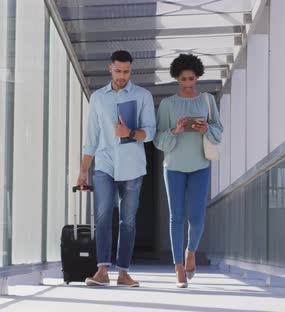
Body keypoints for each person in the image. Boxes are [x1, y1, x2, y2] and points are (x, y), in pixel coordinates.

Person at [78, 50, 156, 287]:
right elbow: (91, 137)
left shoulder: (143, 96)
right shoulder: (98, 98)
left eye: (127, 71)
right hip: (104, 164)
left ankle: (123, 272)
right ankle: (102, 270)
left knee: (128, 221)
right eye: (119, 70)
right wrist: (83, 171)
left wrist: (129, 133)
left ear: (131, 70)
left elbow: (150, 132)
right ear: (110, 68)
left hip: (132, 166)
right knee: (102, 216)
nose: (122, 76)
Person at [153, 54, 223, 288]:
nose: (187, 83)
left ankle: (190, 252)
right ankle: (178, 267)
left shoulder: (207, 101)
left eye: (191, 78)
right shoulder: (167, 104)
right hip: (173, 167)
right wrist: (175, 131)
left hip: (200, 165)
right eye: (183, 79)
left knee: (197, 217)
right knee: (176, 217)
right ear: (176, 78)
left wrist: (205, 129)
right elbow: (158, 139)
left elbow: (218, 131)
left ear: (198, 76)